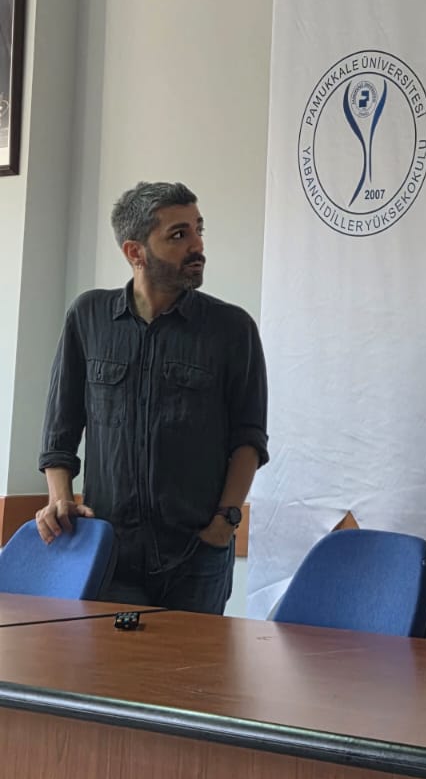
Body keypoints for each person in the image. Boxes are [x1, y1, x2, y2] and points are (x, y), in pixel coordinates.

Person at [37, 181, 268, 613]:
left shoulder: (232, 329)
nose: (197, 245)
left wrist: (225, 522)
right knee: (104, 660)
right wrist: (59, 497)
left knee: (190, 661)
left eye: (198, 230)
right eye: (179, 235)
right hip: (109, 555)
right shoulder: (88, 317)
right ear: (135, 252)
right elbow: (60, 428)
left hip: (197, 556)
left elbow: (249, 438)